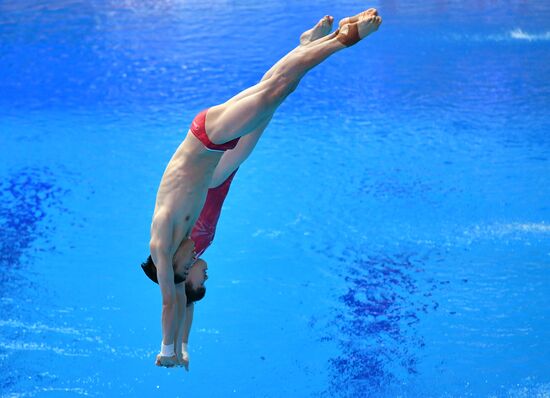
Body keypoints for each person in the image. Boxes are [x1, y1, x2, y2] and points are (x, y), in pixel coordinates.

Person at [140, 9, 382, 368]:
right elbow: (181, 299)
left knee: (274, 91)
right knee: (273, 91)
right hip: (216, 148)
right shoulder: (181, 246)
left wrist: (168, 350)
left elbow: (170, 301)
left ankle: (341, 39)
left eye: (188, 263)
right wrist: (184, 346)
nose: (196, 259)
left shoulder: (162, 239)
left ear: (171, 264)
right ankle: (310, 45)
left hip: (206, 138)